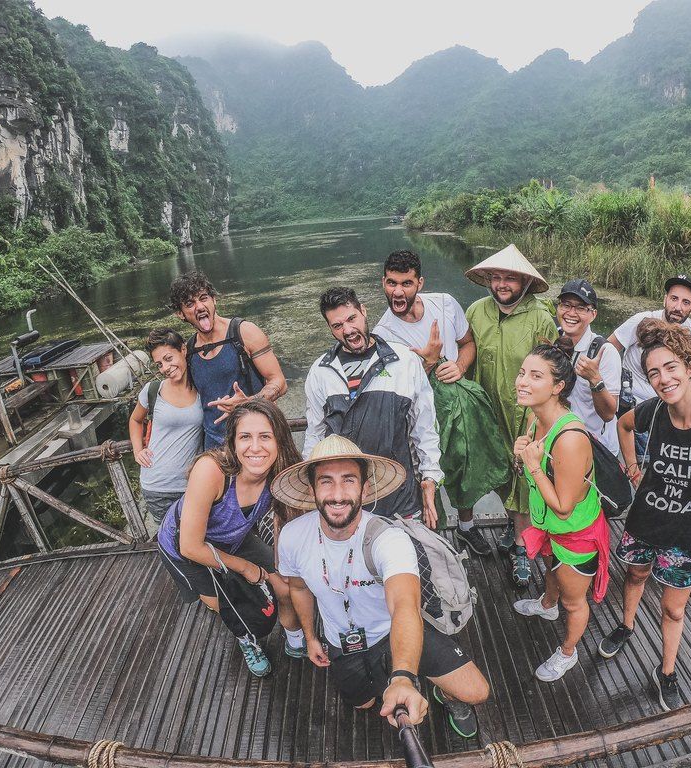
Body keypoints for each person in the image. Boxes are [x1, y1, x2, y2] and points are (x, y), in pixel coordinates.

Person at [273, 435, 490, 737]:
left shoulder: (388, 539)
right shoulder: (293, 537)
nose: (337, 495)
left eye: (349, 480)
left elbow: (404, 605)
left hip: (394, 630)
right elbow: (298, 589)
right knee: (364, 703)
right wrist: (311, 637)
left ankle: (443, 695)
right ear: (312, 490)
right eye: (326, 481)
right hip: (341, 641)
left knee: (476, 691)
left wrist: (402, 677)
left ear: (365, 487)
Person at [598, 319, 691, 711]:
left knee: (673, 607)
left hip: (688, 532)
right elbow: (623, 424)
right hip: (646, 520)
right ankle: (627, 626)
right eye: (653, 373)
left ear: (689, 367)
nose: (663, 379)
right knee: (634, 575)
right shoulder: (652, 411)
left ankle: (666, 670)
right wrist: (632, 466)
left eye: (670, 367)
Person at [373, 250, 508, 555]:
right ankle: (433, 540)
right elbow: (395, 388)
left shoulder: (445, 304)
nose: (397, 291)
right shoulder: (382, 335)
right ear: (383, 281)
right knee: (425, 475)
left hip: (456, 406)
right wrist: (429, 363)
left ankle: (466, 528)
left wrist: (460, 365)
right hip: (418, 414)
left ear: (419, 282)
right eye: (391, 283)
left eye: (406, 283)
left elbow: (467, 343)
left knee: (463, 467)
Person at [156, 400, 305, 677]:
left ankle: (295, 639)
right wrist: (248, 568)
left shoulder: (279, 470)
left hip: (233, 536)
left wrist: (279, 566)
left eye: (265, 437)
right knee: (222, 603)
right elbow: (191, 546)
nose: (256, 447)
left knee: (283, 584)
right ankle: (247, 641)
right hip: (184, 546)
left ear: (279, 440)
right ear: (233, 442)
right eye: (245, 437)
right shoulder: (211, 470)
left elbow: (285, 519)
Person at [511, 339, 611, 682]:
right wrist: (522, 454)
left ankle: (568, 652)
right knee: (551, 573)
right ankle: (546, 605)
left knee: (574, 601)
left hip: (574, 532)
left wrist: (534, 466)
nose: (522, 381)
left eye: (535, 376)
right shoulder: (535, 418)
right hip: (550, 528)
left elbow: (565, 507)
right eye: (522, 373)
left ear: (558, 387)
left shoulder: (569, 438)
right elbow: (534, 469)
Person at [304, 286, 443, 526]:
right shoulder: (320, 371)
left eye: (351, 318)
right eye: (337, 326)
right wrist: (309, 484)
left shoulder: (404, 360)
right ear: (330, 328)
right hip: (345, 499)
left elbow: (425, 427)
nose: (348, 330)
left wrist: (430, 478)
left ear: (364, 311)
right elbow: (314, 434)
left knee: (405, 558)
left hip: (401, 495)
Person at [465, 244, 557, 587]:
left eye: (509, 278)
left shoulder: (540, 317)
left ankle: (522, 549)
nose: (502, 284)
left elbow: (551, 369)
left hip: (526, 415)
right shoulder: (476, 311)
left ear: (524, 282)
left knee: (524, 477)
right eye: (497, 277)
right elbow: (467, 351)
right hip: (490, 411)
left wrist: (540, 416)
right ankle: (513, 525)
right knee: (503, 475)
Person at [169, 270, 288, 450]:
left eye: (203, 298)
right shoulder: (189, 351)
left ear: (214, 299)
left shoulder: (244, 333)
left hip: (255, 441)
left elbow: (279, 382)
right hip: (215, 448)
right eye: (189, 303)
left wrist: (249, 402)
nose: (199, 306)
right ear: (180, 313)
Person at [608, 275, 691, 458]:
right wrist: (611, 388)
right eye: (674, 299)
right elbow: (608, 348)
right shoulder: (642, 321)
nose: (678, 307)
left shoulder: (690, 328)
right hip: (634, 407)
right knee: (640, 460)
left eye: (685, 302)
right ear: (665, 298)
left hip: (667, 408)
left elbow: (688, 368)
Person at [128, 328, 203, 531]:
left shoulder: (202, 390)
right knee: (169, 540)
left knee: (195, 537)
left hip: (190, 485)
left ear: (183, 350)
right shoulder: (153, 390)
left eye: (169, 358)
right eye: (159, 364)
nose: (166, 368)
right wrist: (137, 450)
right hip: (156, 485)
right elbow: (135, 421)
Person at [555, 279, 621, 456]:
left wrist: (595, 379)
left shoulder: (604, 352)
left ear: (593, 314)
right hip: (559, 441)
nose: (571, 313)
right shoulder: (552, 340)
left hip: (595, 449)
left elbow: (608, 414)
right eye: (566, 305)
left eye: (580, 308)